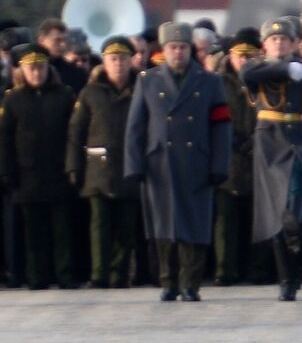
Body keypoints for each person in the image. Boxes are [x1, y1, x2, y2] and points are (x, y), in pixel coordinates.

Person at [124, 22, 232, 301]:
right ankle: (168, 282)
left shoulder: (210, 82)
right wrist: (134, 165)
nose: (178, 53)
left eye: (183, 47)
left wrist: (220, 164)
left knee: (194, 224)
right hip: (160, 162)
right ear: (164, 49)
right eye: (173, 47)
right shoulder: (148, 80)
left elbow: (221, 126)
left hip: (197, 161)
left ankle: (190, 283)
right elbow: (136, 127)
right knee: (163, 226)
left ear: (191, 50)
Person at [241, 17, 302, 300]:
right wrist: (286, 68)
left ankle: (294, 267)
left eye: (285, 39)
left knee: (295, 209)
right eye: (274, 40)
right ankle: (287, 277)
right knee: (276, 215)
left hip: (301, 141)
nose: (279, 43)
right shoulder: (257, 66)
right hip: (271, 142)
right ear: (265, 45)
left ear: (295, 42)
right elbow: (248, 75)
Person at [0, 43, 78, 288]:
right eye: (31, 68)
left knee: (62, 232)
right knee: (34, 233)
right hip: (27, 177)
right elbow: (5, 141)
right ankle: (37, 276)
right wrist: (7, 173)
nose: (36, 73)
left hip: (58, 174)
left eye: (41, 67)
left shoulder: (64, 95)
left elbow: (73, 136)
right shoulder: (13, 100)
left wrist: (72, 168)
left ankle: (65, 275)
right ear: (22, 70)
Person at [66, 36, 141, 288]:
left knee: (126, 227)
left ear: (131, 61)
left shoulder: (141, 90)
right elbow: (76, 133)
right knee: (99, 226)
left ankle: (119, 274)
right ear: (105, 62)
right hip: (98, 170)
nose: (118, 64)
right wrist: (73, 166)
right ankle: (99, 274)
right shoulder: (90, 93)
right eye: (113, 59)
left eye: (122, 58)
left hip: (130, 168)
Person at [213, 28, 260, 285]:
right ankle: (225, 270)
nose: (244, 60)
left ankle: (256, 269)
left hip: (257, 158)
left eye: (249, 55)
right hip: (226, 161)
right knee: (225, 223)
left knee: (255, 221)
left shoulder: (265, 81)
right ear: (230, 56)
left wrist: (253, 141)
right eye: (239, 55)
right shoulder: (217, 82)